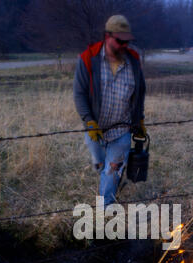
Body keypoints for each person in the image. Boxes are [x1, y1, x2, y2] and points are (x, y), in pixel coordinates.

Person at [73, 15, 146, 207]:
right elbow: (79, 93)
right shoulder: (89, 59)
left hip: (121, 130)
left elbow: (140, 91)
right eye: (119, 40)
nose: (124, 45)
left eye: (127, 41)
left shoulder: (134, 61)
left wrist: (140, 120)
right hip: (95, 129)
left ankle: (105, 209)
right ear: (107, 36)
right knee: (101, 165)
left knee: (112, 171)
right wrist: (89, 121)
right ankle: (103, 172)